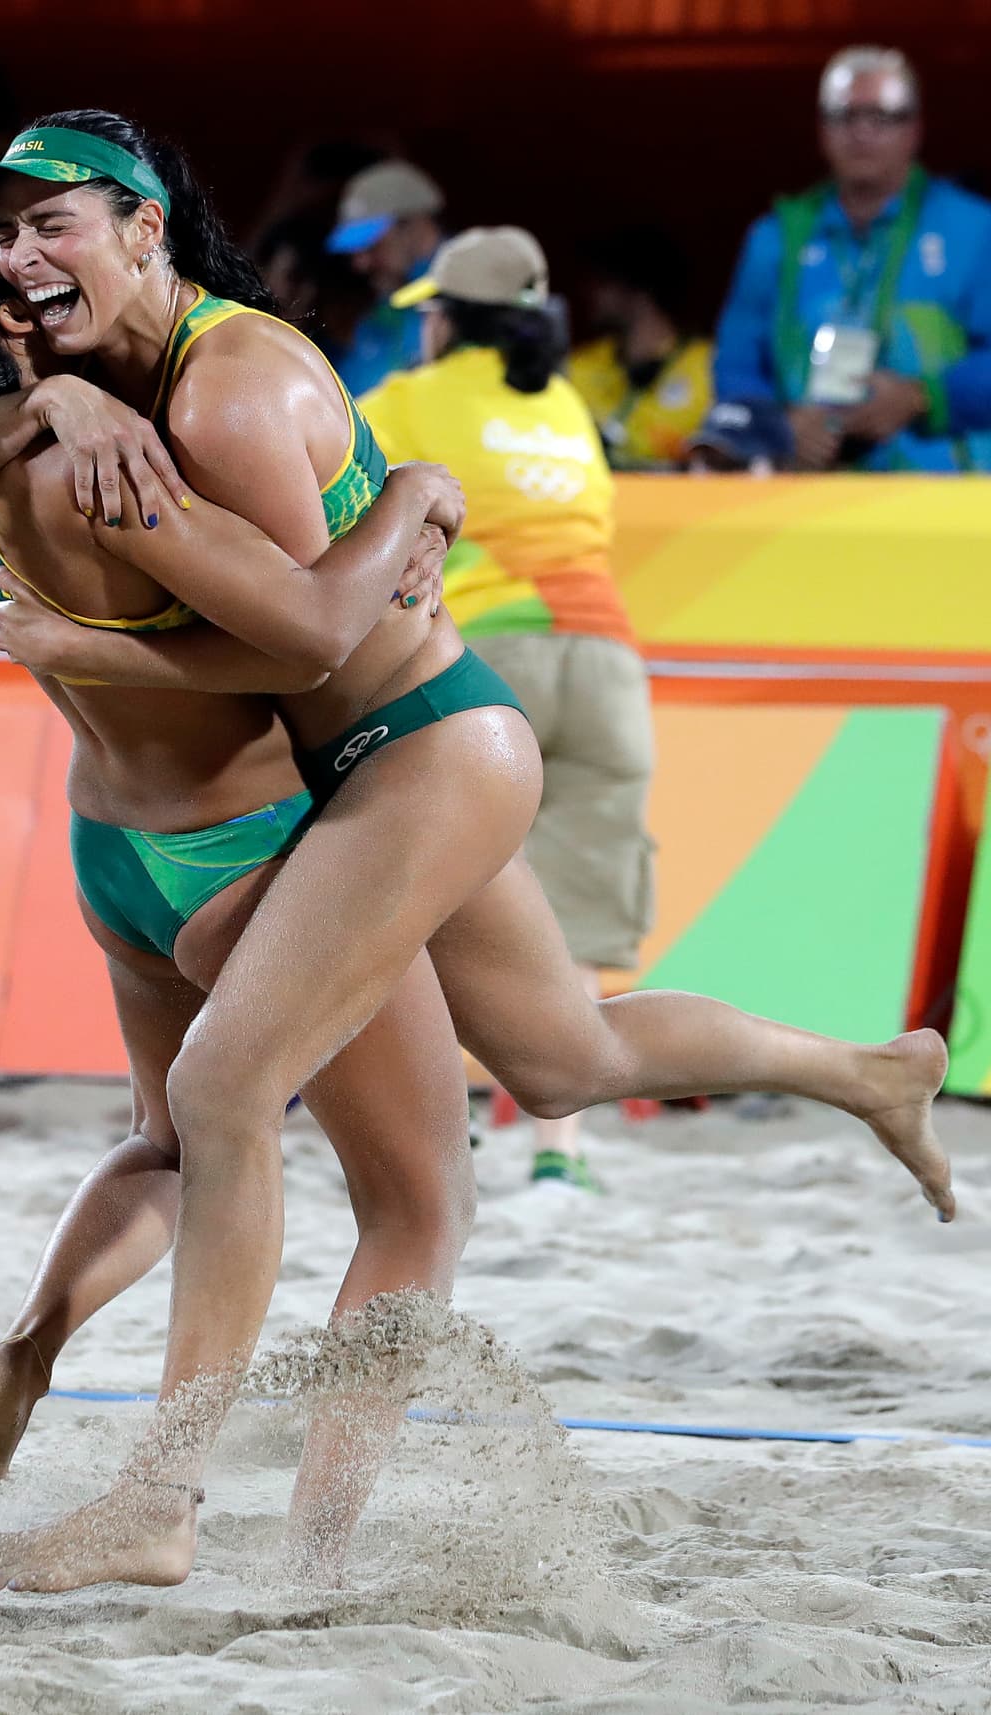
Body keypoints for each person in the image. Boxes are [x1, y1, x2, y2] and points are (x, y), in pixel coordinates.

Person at [0, 117, 952, 1594]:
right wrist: (64, 421)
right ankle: (865, 1071)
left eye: (55, 222)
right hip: (310, 774)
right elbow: (256, 636)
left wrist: (411, 495)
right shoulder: (84, 391)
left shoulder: (228, 388)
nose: (27, 254)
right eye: (11, 234)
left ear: (144, 226)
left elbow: (313, 640)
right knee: (557, 1060)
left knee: (251, 1109)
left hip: (418, 742)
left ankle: (181, 1500)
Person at [359, 227, 653, 1190]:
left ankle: (445, 1119)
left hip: (491, 658)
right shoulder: (567, 401)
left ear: (446, 319)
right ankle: (560, 1154)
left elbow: (318, 483)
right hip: (608, 663)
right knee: (571, 918)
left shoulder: (411, 399)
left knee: (443, 890)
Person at [714, 45, 991, 472]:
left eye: (881, 117)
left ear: (914, 129)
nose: (861, 133)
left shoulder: (974, 230)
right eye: (845, 116)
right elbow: (734, 366)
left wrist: (922, 397)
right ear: (823, 129)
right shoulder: (776, 238)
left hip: (946, 496)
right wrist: (782, 426)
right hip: (806, 492)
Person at [569, 226, 713, 470]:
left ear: (639, 287)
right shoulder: (576, 367)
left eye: (603, 281)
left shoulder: (709, 366)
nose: (588, 291)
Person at [324, 159, 445, 395]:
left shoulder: (475, 301)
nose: (359, 264)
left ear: (413, 226)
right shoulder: (381, 309)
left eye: (372, 245)